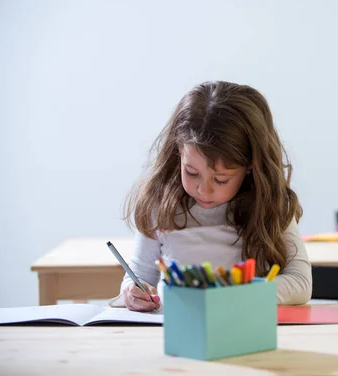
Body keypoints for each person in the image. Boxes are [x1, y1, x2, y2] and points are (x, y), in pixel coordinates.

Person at [109, 81, 312, 311]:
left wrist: (237, 295)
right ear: (178, 152)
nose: (203, 190)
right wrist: (134, 292)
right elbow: (139, 275)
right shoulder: (159, 204)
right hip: (178, 332)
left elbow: (300, 282)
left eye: (221, 179)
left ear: (249, 167)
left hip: (243, 329)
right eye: (192, 172)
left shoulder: (271, 206)